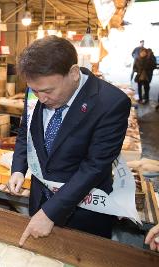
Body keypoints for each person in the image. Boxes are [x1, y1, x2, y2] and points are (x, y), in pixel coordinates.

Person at [8, 36, 131, 245]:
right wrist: (19, 168)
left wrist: (50, 213)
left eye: (47, 91)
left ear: (74, 73)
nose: (41, 98)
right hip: (39, 198)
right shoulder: (37, 89)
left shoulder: (110, 103)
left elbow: (94, 167)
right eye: (35, 91)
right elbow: (25, 132)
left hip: (83, 210)